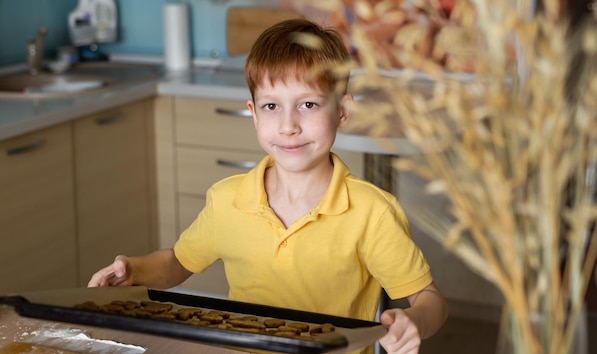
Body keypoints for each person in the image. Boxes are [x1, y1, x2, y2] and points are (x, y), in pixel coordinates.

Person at [88, 18, 448, 353]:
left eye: (308, 104)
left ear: (342, 110)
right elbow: (178, 263)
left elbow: (429, 300)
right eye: (272, 106)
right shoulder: (227, 200)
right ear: (254, 112)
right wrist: (134, 271)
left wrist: (413, 321)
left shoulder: (372, 212)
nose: (288, 125)